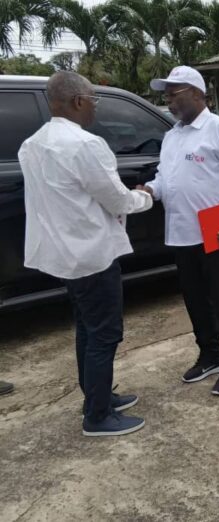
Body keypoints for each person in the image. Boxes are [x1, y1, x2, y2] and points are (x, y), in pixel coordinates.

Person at [19, 71, 153, 436]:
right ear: (78, 101)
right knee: (105, 334)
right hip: (93, 254)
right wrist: (146, 196)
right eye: (93, 100)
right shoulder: (85, 144)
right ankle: (97, 416)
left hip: (65, 254)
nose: (95, 107)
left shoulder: (32, 144)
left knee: (87, 329)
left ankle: (97, 397)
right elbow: (116, 199)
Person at [138, 66, 219, 396]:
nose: (169, 101)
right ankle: (210, 354)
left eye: (173, 94)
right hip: (181, 231)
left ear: (196, 94)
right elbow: (165, 177)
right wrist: (150, 189)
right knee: (195, 299)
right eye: (166, 95)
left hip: (217, 231)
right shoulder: (172, 136)